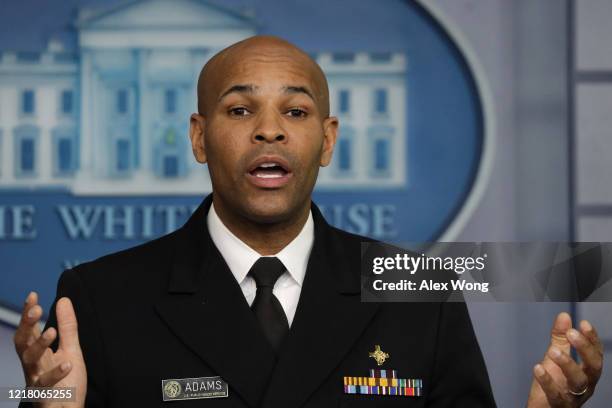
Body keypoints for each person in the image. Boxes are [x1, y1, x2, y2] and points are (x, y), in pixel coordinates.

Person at [14, 35, 603, 407]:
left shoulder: (421, 290)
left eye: (294, 111)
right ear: (198, 138)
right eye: (240, 110)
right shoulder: (100, 295)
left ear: (326, 141)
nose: (269, 130)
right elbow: (31, 397)